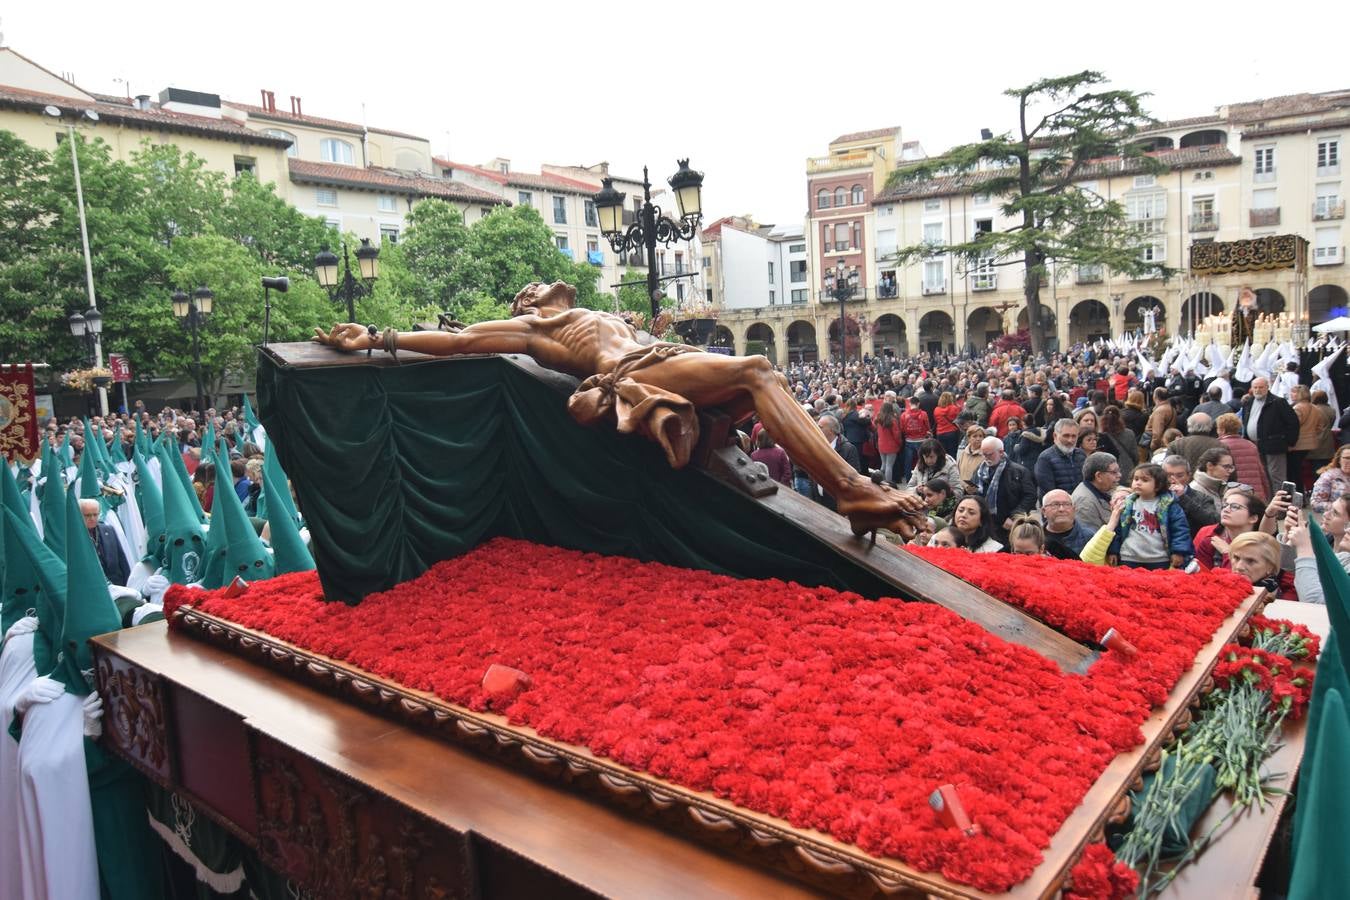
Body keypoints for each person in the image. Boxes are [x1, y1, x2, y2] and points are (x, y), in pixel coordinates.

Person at [316, 282, 925, 536]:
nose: (536, 291)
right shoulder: (534, 327)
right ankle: (849, 491)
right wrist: (376, 337)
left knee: (758, 385)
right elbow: (461, 341)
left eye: (535, 288)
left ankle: (846, 487)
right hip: (637, 373)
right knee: (756, 370)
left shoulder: (601, 311)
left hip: (662, 355)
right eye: (526, 293)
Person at [1107, 463, 1192, 570]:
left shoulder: (1169, 505)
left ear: (1158, 485)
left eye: (1145, 480)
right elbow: (1117, 529)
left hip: (1159, 558)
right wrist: (1113, 551)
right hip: (1129, 557)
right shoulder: (1127, 504)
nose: (1138, 483)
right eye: (1136, 479)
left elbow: (1180, 530)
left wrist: (1179, 551)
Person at [1240, 376, 1300, 491]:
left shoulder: (1278, 402)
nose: (1258, 390)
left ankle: (1281, 502)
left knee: (1276, 476)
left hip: (1274, 445)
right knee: (1263, 475)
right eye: (1255, 387)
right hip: (1254, 444)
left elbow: (1293, 423)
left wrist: (1290, 442)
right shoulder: (1248, 402)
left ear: (1267, 387)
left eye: (1261, 387)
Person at [972, 435, 1035, 544]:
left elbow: (1030, 496)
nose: (986, 458)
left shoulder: (1019, 471)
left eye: (990, 454)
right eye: (983, 454)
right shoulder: (980, 470)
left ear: (1001, 452)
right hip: (985, 524)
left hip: (1008, 525)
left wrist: (1014, 517)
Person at [1162, 454, 1220, 539]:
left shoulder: (1202, 498)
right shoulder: (1154, 495)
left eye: (1180, 476)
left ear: (1188, 476)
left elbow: (1213, 522)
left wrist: (1183, 498)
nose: (1173, 479)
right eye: (1168, 475)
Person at [1216, 412, 1270, 501]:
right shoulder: (1251, 445)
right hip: (1255, 493)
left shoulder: (1219, 446)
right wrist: (1266, 493)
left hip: (1232, 493)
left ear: (1222, 429)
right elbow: (1261, 472)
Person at [811, 416, 861, 511]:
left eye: (820, 427)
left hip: (838, 503)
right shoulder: (817, 445)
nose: (817, 428)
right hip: (819, 501)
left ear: (831, 430)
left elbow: (854, 479)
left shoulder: (848, 449)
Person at [79, 497, 129, 587]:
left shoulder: (108, 530)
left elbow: (122, 560)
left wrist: (129, 585)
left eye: (95, 514)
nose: (92, 518)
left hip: (117, 586)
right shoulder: (75, 535)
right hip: (92, 588)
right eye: (87, 515)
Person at [1034, 418, 1085, 497]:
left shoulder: (1081, 454)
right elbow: (1049, 491)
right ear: (1055, 435)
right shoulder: (1045, 459)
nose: (1070, 440)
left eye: (1074, 436)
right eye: (1066, 436)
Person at [1040, 489, 1096, 559]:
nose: (1061, 509)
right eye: (1055, 504)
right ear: (1043, 511)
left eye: (1066, 504)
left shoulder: (1090, 537)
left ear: (1074, 509)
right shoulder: (1035, 538)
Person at [1073, 451, 1122, 530]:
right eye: (1114, 472)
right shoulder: (1085, 503)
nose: (1119, 475)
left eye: (1119, 471)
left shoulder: (1105, 488)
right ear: (1098, 476)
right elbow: (1093, 539)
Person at [1289, 384, 1325, 491]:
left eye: (1294, 392)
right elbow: (1320, 427)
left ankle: (1298, 493)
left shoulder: (1297, 408)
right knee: (1298, 470)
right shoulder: (1315, 408)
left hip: (1297, 444)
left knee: (1294, 472)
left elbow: (1293, 426)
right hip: (1311, 443)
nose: (1291, 394)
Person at [1226, 531, 1284, 595]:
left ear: (1270, 567)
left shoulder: (1273, 600)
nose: (1239, 567)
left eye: (1250, 561)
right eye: (1236, 558)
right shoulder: (1222, 585)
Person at [1097, 405, 1138, 481]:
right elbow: (1135, 455)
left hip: (1108, 472)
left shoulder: (1100, 435)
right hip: (1127, 470)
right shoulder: (1129, 433)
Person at [1311, 445, 1350, 518]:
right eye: (1347, 458)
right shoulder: (1328, 477)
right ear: (1339, 460)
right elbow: (1315, 504)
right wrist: (1341, 508)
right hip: (1336, 520)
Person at [898, 399, 932, 483]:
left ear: (909, 404)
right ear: (918, 404)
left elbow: (901, 428)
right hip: (921, 439)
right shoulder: (923, 414)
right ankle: (923, 479)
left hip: (909, 440)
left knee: (908, 462)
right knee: (923, 460)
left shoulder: (904, 415)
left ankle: (908, 479)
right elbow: (928, 426)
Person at [873, 399, 902, 484]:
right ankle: (888, 483)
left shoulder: (878, 419)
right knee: (889, 466)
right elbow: (896, 435)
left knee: (884, 464)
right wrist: (900, 443)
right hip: (891, 445)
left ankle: (880, 481)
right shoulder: (893, 420)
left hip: (881, 444)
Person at [956, 425, 987, 492]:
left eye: (981, 436)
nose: (978, 439)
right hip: (962, 490)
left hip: (979, 492)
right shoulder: (964, 453)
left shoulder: (986, 454)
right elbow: (957, 472)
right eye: (975, 436)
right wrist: (964, 485)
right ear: (969, 438)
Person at [933, 390, 963, 459]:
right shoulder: (954, 408)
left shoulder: (936, 410)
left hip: (940, 433)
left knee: (942, 454)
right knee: (952, 453)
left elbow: (936, 420)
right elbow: (958, 418)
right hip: (952, 432)